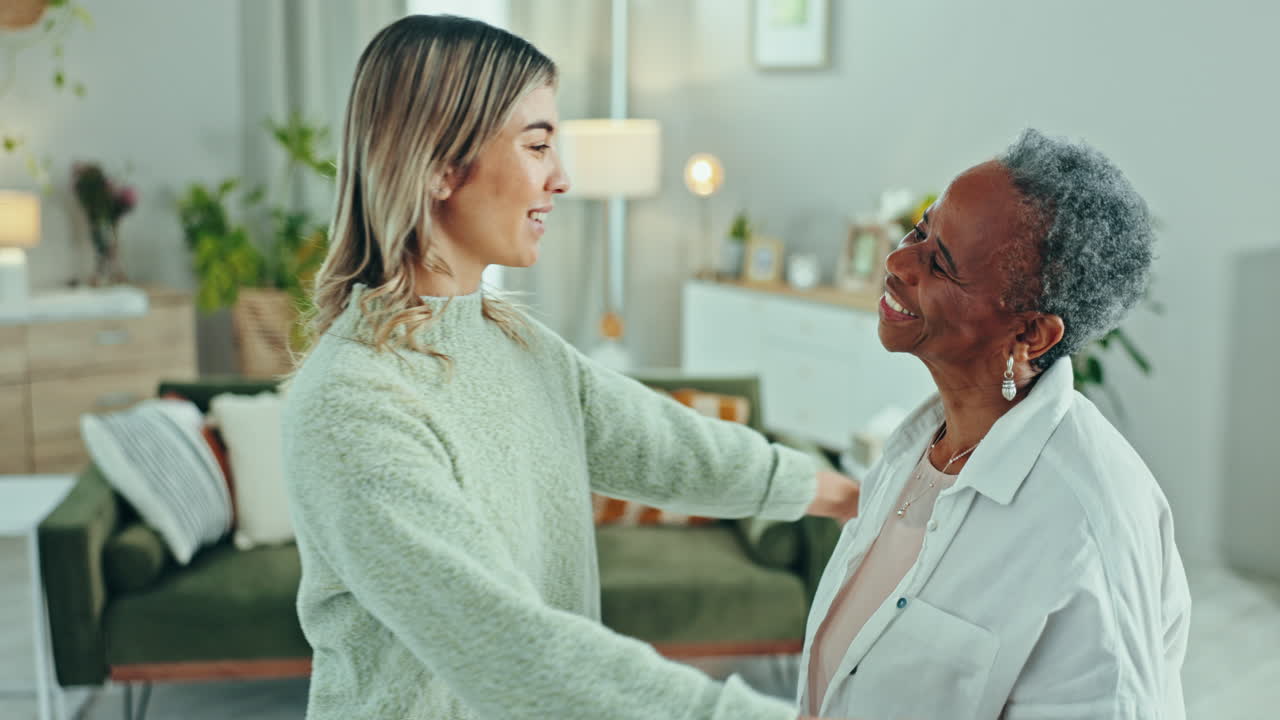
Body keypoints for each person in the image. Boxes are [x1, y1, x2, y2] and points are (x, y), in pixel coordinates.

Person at [280, 15, 857, 720]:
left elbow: (663, 443)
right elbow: (507, 647)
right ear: (437, 165)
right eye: (537, 145)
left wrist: (840, 495)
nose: (562, 179)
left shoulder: (513, 342)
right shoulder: (355, 402)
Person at [799, 129, 1191, 720]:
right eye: (919, 230)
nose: (897, 261)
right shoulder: (916, 449)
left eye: (942, 263)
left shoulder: (1085, 528)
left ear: (1030, 334)